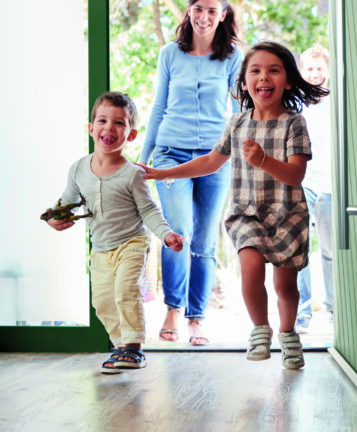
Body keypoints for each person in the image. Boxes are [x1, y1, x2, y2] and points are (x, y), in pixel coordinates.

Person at [141, 41, 330, 369]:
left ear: (287, 80)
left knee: (285, 286)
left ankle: (288, 333)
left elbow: (296, 174)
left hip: (288, 213)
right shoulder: (237, 124)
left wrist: (263, 160)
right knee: (251, 270)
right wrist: (163, 171)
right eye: (255, 71)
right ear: (243, 82)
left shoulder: (294, 123)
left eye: (274, 70)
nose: (263, 77)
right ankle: (260, 329)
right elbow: (211, 162)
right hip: (248, 213)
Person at [46, 91, 184, 374]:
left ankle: (133, 348)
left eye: (119, 123)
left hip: (131, 242)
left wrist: (166, 234)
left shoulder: (133, 173)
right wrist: (54, 217)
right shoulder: (78, 169)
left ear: (131, 135)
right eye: (103, 121)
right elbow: (68, 202)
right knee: (103, 301)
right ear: (91, 129)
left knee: (125, 291)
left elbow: (148, 211)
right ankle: (120, 345)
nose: (109, 127)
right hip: (100, 248)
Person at [138, 0, 243, 346]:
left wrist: (241, 154)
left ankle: (196, 317)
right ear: (189, 10)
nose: (204, 17)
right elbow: (159, 106)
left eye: (212, 11)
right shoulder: (170, 53)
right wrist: (145, 158)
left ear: (223, 14)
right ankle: (172, 310)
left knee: (204, 241)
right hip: (170, 155)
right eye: (198, 8)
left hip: (216, 158)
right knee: (178, 232)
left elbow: (242, 109)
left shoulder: (232, 58)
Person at [295, 43, 334, 333]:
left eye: (320, 68)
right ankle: (302, 314)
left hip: (332, 184)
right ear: (302, 71)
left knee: (332, 251)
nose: (315, 73)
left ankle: (333, 310)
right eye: (310, 68)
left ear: (327, 71)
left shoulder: (337, 102)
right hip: (303, 183)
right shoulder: (296, 105)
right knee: (300, 250)